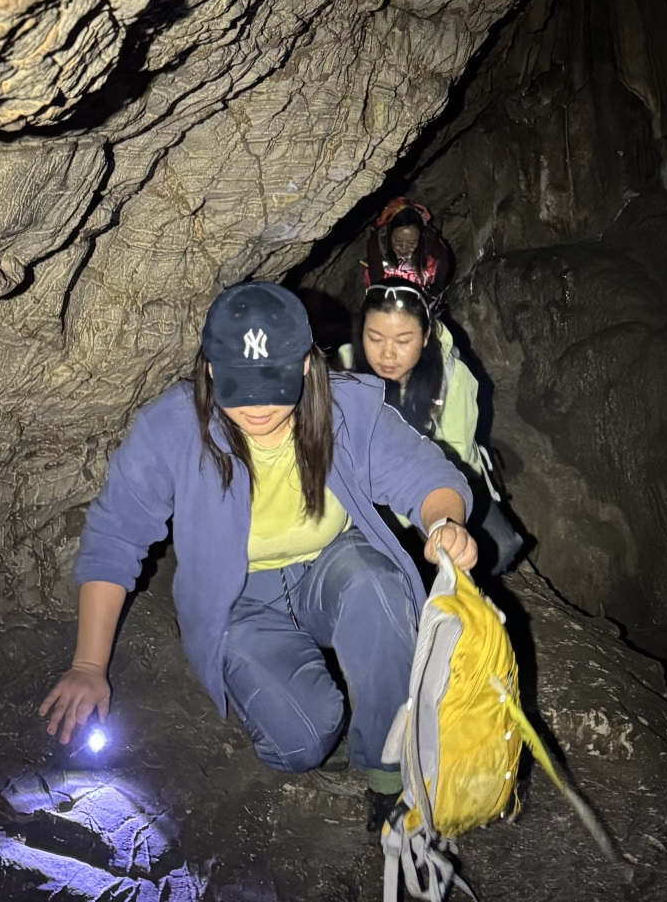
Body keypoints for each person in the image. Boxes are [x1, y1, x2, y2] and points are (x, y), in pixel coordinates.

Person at [39, 282, 477, 818]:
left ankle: (392, 769)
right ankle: (291, 683)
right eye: (240, 386)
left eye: (274, 384)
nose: (259, 407)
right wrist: (88, 663)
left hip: (330, 565)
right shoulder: (173, 427)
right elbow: (116, 535)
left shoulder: (345, 408)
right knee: (301, 744)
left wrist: (444, 522)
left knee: (377, 587)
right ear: (210, 369)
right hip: (237, 595)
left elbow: (425, 473)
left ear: (305, 366)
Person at [341, 283, 524, 576]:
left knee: (499, 547)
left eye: (403, 341)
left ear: (426, 336)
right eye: (374, 338)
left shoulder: (453, 379)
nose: (387, 354)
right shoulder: (341, 373)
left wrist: (432, 520)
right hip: (374, 492)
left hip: (442, 485)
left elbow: (457, 461)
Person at [363, 197, 453, 306]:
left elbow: (443, 260)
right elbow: (376, 278)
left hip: (417, 276)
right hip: (388, 274)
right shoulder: (376, 241)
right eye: (398, 241)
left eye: (411, 243)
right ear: (390, 234)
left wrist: (435, 288)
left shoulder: (429, 239)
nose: (404, 248)